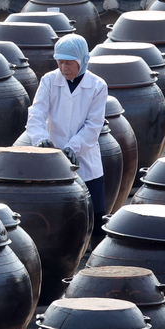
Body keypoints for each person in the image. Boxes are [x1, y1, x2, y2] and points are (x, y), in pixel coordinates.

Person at [25, 33, 109, 221]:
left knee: (93, 217)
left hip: (86, 159)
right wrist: (41, 139)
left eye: (69, 63)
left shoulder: (97, 86)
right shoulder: (48, 80)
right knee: (59, 220)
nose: (63, 68)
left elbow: (93, 125)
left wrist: (73, 147)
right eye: (60, 62)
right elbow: (36, 113)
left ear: (83, 61)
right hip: (53, 159)